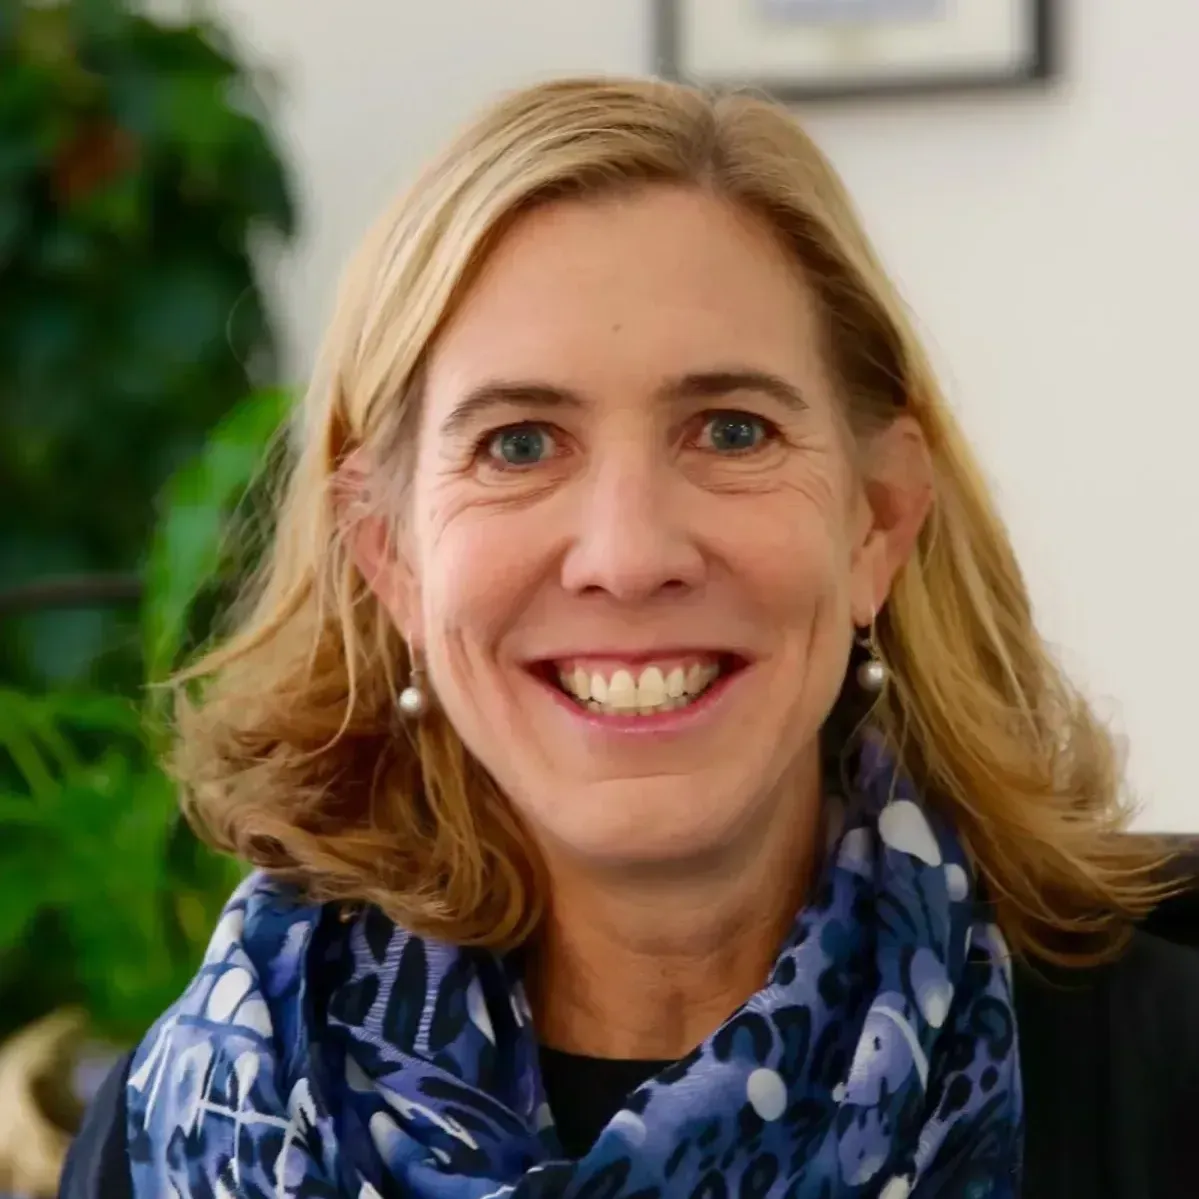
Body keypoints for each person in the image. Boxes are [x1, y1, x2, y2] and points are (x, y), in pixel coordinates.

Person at [61, 77, 1199, 1199]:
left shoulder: (1152, 1073)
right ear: (388, 554)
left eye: (730, 429)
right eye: (517, 444)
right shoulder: (193, 1121)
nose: (626, 550)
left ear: (878, 520)